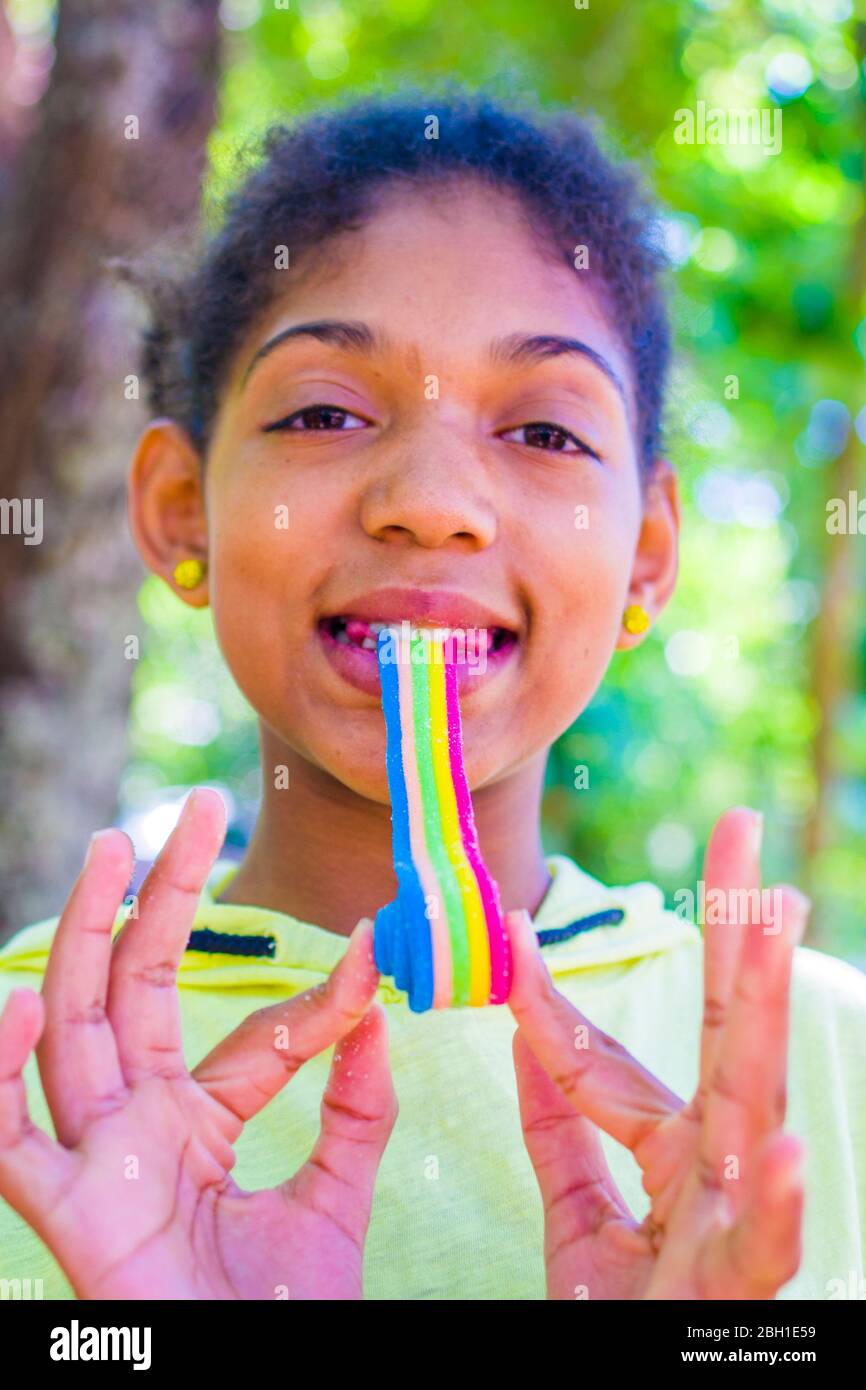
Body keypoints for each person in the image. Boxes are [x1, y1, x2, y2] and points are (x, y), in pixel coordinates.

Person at [1, 87, 864, 1301]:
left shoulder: (827, 1063)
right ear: (180, 513)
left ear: (648, 554)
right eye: (324, 411)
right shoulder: (35, 1060)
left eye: (546, 433)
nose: (431, 498)